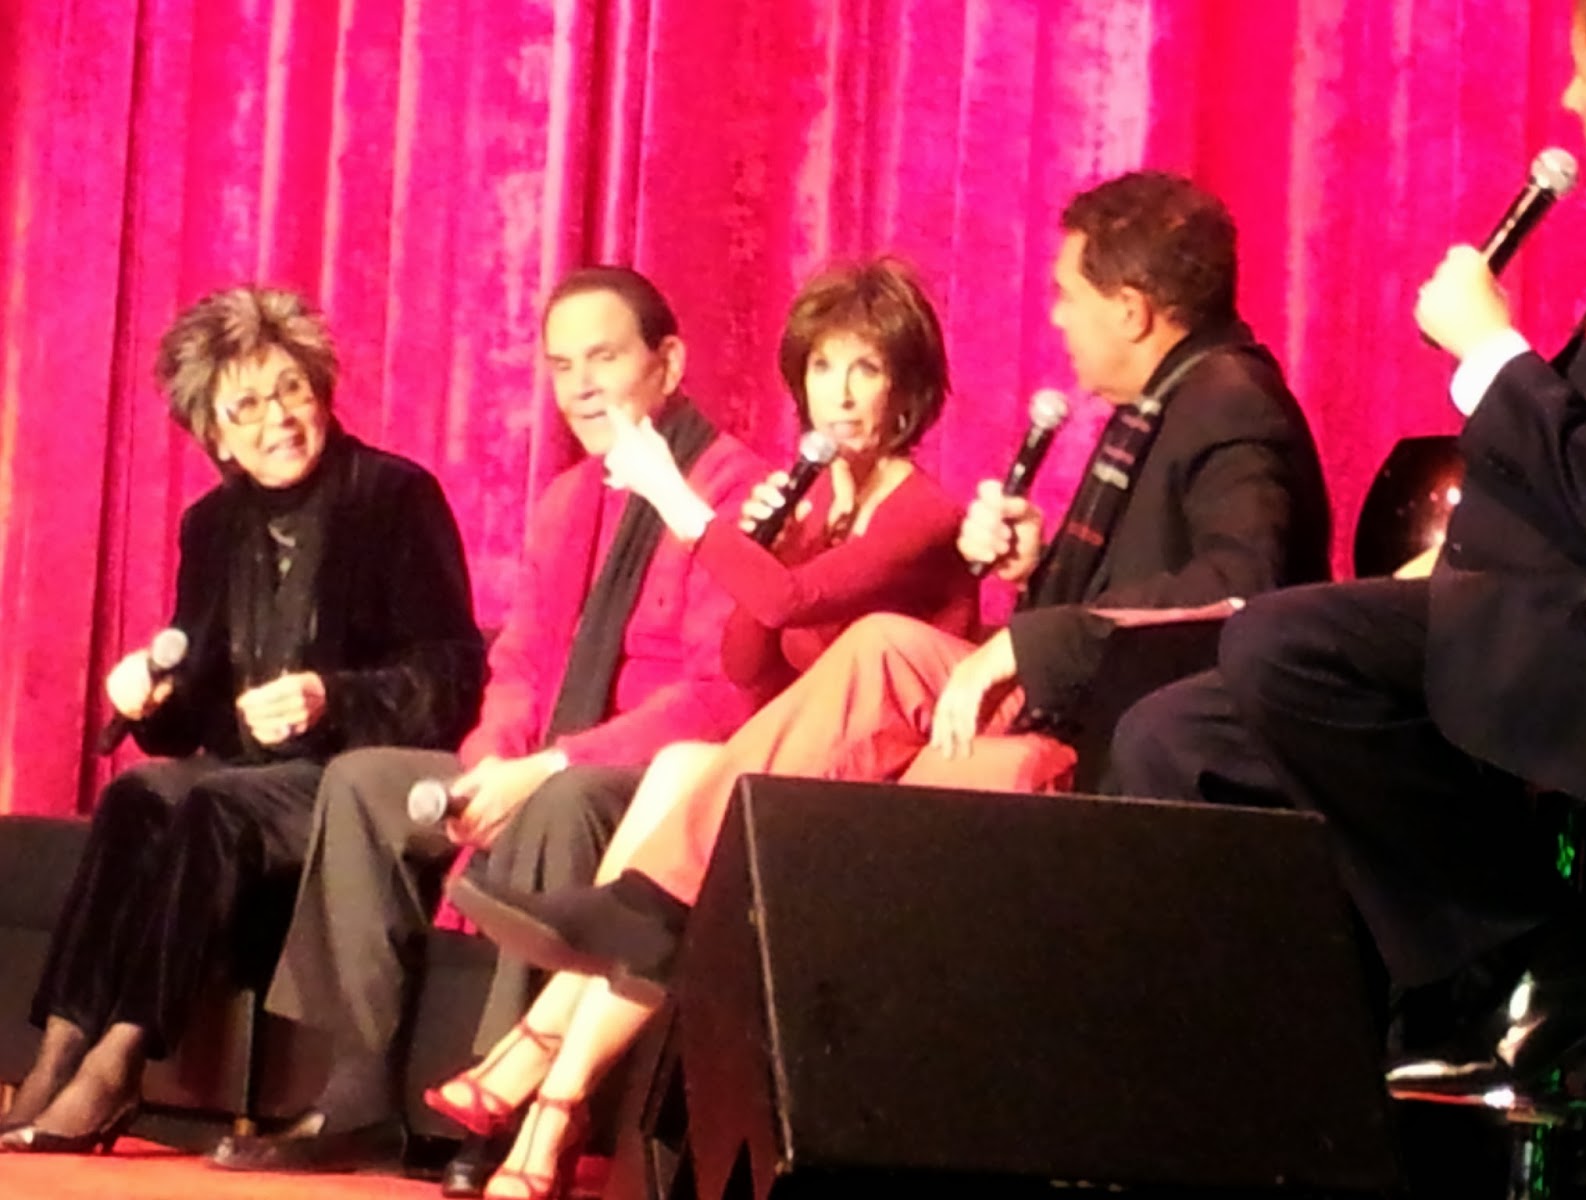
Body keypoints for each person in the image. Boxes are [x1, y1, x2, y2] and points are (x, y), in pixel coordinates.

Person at [442, 174, 1334, 1198]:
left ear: (1131, 309)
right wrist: (1033, 570)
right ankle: (637, 932)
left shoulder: (1228, 407)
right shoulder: (1166, 405)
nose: (1055, 315)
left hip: (1130, 729)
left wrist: (1025, 636)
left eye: (1067, 294)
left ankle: (643, 918)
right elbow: (755, 653)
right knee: (764, 729)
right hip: (1064, 699)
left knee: (873, 655)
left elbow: (1238, 593)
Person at [1109, 0, 1586, 1096]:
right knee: (1170, 736)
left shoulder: (1227, 402)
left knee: (1288, 648)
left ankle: (1515, 952)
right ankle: (1254, 1087)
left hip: (1572, 644)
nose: (1569, 99)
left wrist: (1491, 352)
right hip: (1517, 609)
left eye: (1583, 72)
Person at [208, 266, 768, 1179]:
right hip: (538, 755)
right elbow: (521, 663)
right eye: (561, 366)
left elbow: (719, 697)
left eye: (604, 358)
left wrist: (545, 767)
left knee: (562, 800)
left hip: (644, 777)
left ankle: (501, 1108)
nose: (580, 387)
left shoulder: (732, 492)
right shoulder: (570, 499)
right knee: (364, 785)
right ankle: (356, 1094)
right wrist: (490, 763)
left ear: (668, 363)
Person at [0, 286, 486, 1154]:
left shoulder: (394, 496)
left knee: (209, 805)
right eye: (248, 406)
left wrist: (331, 695)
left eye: (291, 390)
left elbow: (451, 673)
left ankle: (120, 1061)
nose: (279, 420)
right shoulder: (213, 525)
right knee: (136, 796)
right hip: (242, 770)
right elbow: (192, 713)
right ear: (216, 437)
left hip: (346, 775)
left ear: (322, 390)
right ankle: (56, 1054)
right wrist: (150, 699)